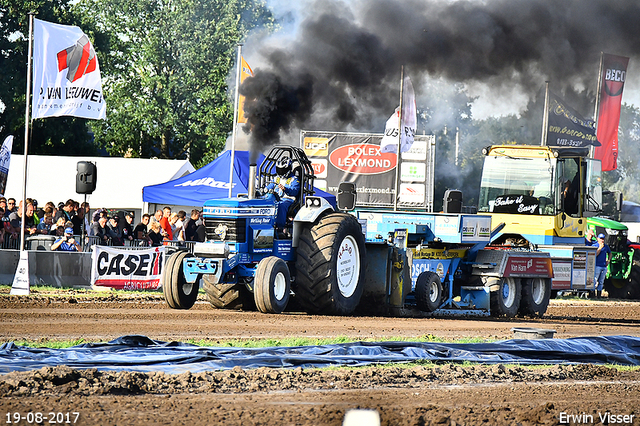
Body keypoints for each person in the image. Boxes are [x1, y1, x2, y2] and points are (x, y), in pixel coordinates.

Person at [265, 157, 300, 229]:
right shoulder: (276, 178)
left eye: (283, 170)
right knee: (266, 202)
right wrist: (264, 190)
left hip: (288, 199)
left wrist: (285, 189)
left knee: (280, 205)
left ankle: (280, 228)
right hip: (276, 197)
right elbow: (270, 186)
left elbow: (295, 192)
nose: (281, 172)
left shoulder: (294, 179)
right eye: (279, 170)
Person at [585, 229, 612, 298]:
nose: (602, 240)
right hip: (597, 265)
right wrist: (600, 248)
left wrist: (608, 260)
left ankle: (599, 295)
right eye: (601, 239)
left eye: (603, 239)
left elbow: (610, 253)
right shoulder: (595, 245)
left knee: (601, 281)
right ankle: (592, 294)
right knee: (594, 280)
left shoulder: (606, 246)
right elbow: (595, 254)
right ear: (598, 239)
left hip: (603, 266)